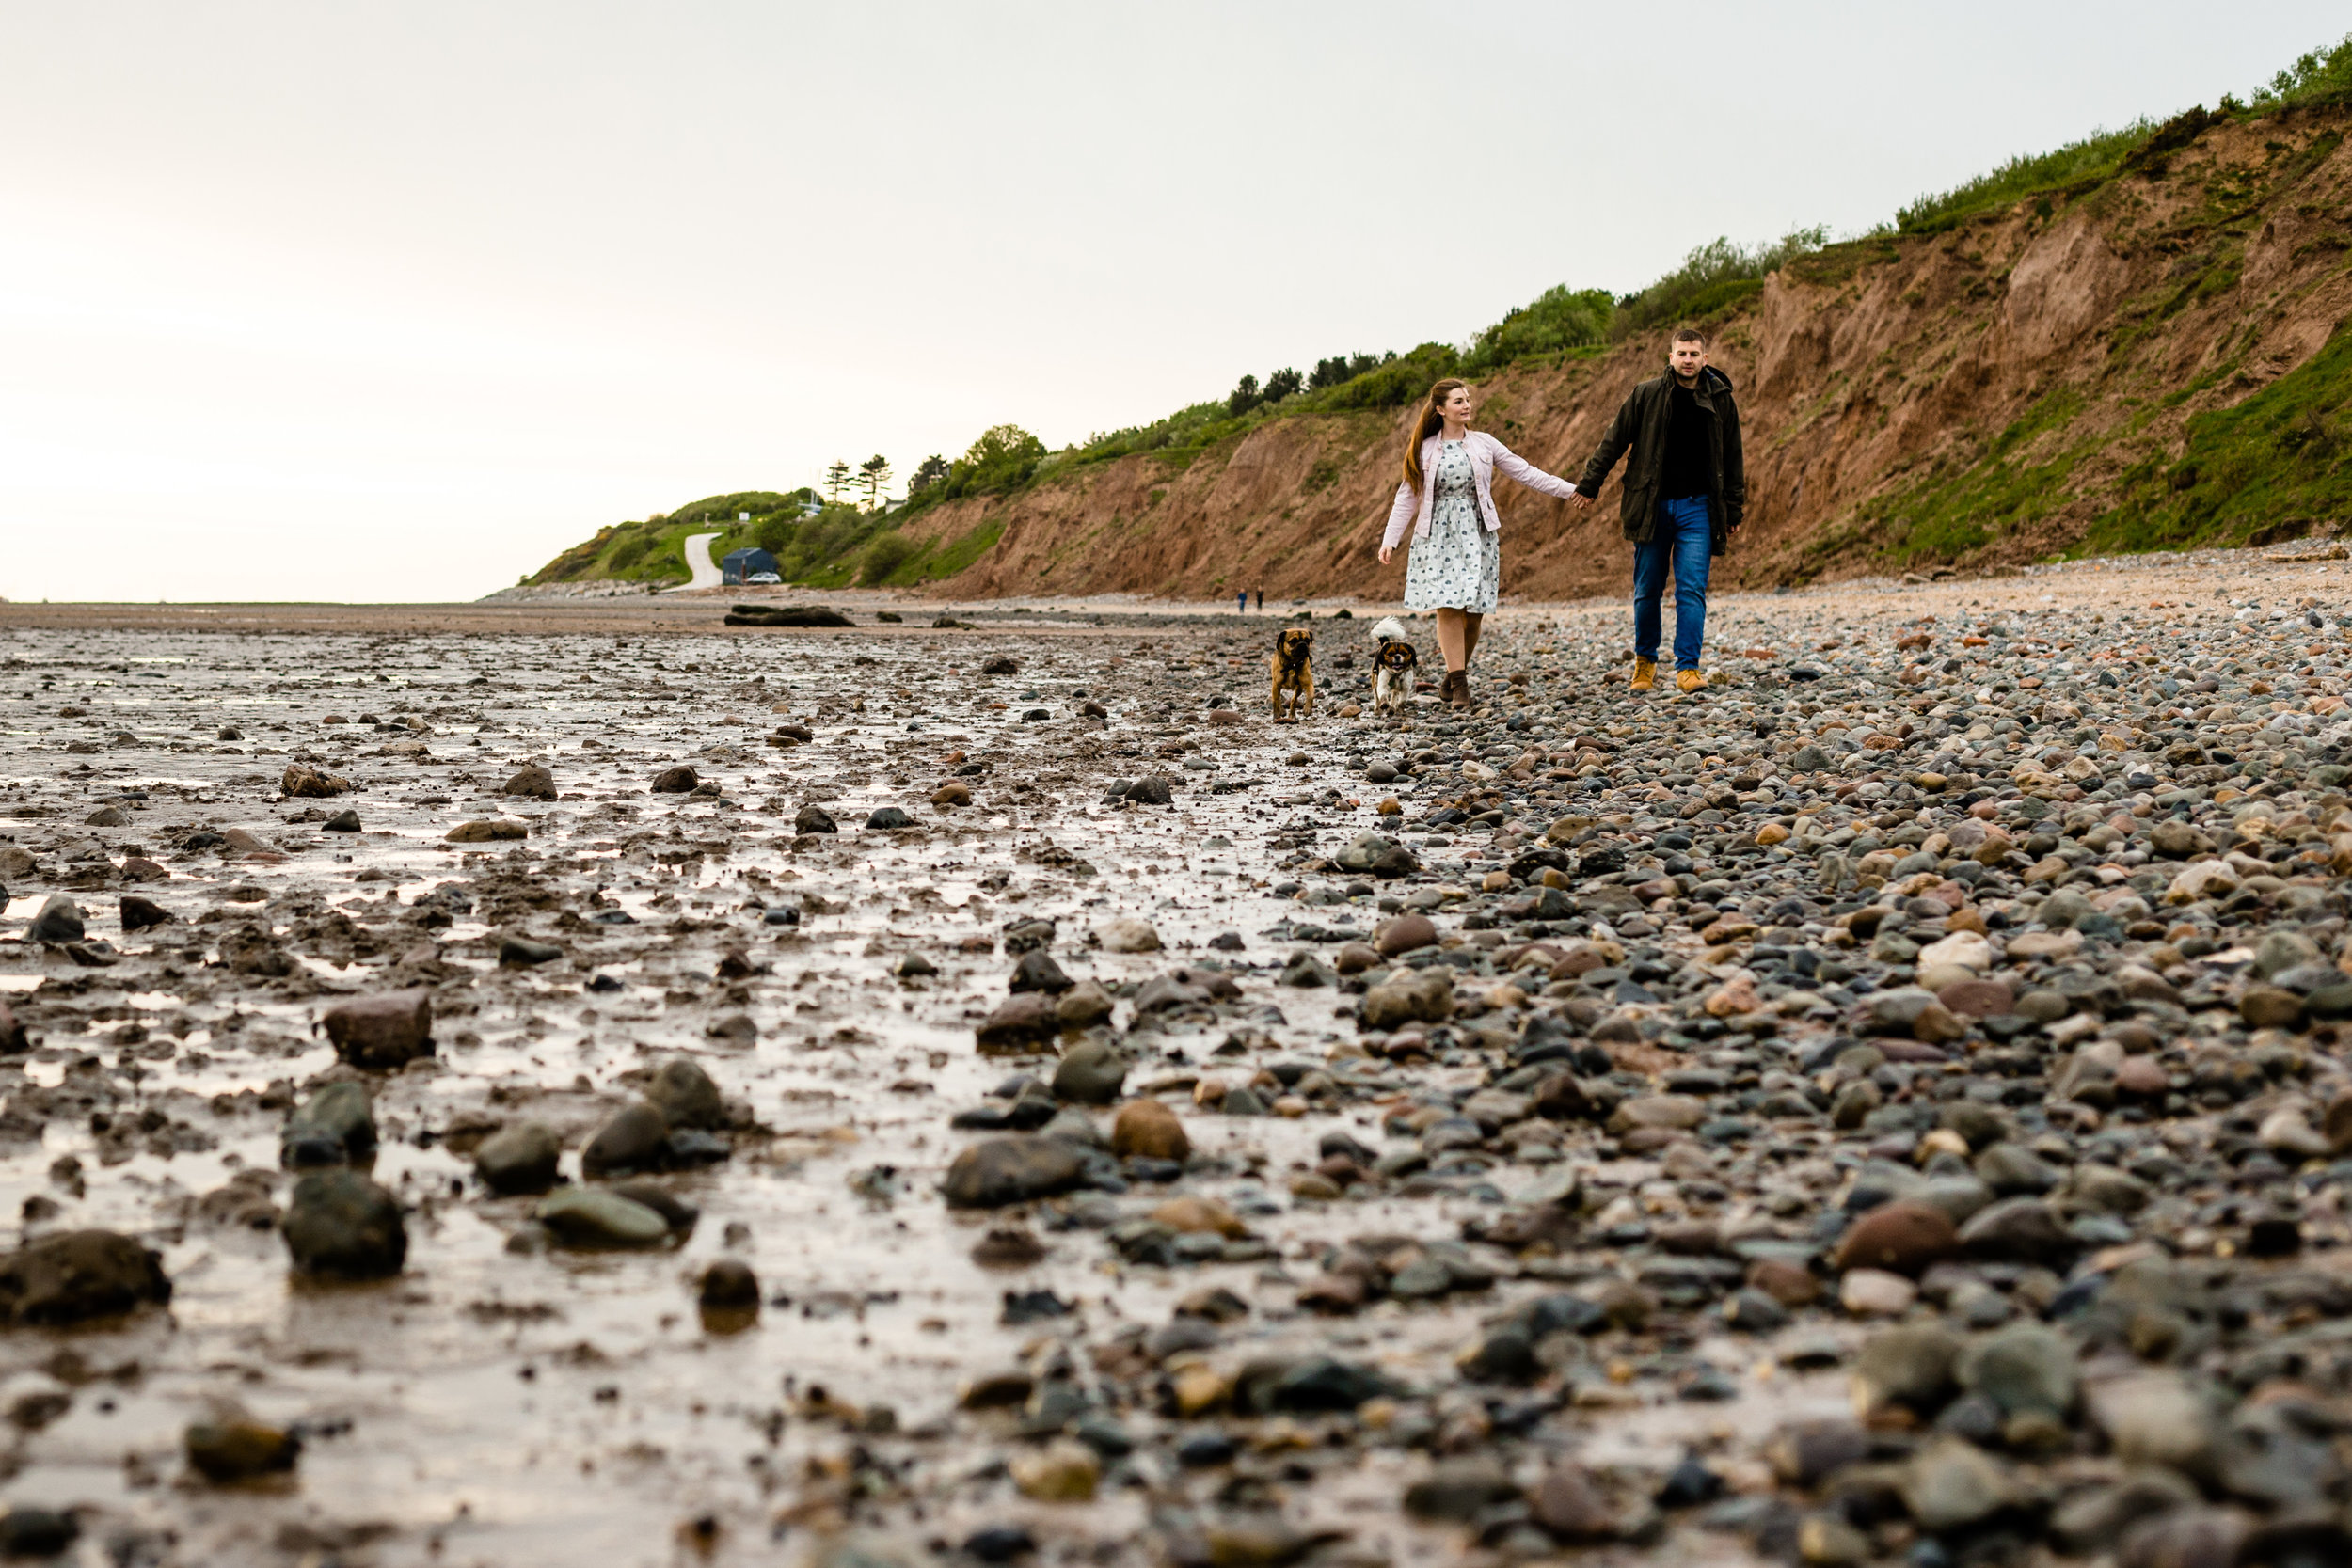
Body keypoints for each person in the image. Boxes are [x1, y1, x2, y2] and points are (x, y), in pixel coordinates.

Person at [1377, 378, 1579, 707]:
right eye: (1458, 401)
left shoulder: (1485, 443)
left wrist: (1571, 489)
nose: (1467, 405)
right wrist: (1391, 540)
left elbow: (1526, 472)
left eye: (1467, 399)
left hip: (1478, 532)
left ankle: (1452, 676)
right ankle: (1460, 685)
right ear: (1441, 409)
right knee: (1449, 607)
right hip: (1438, 536)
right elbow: (1407, 496)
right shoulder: (1424, 448)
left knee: (1474, 614)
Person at [1569, 326, 1745, 694]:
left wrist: (1732, 508)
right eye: (1681, 354)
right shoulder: (1646, 394)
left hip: (1698, 510)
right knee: (1647, 589)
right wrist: (1590, 483)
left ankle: (1688, 669)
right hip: (1651, 506)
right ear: (1670, 357)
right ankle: (1645, 664)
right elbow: (1613, 440)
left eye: (1694, 354)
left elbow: (1732, 456)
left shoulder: (1721, 398)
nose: (1688, 360)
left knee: (1691, 590)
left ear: (1705, 358)